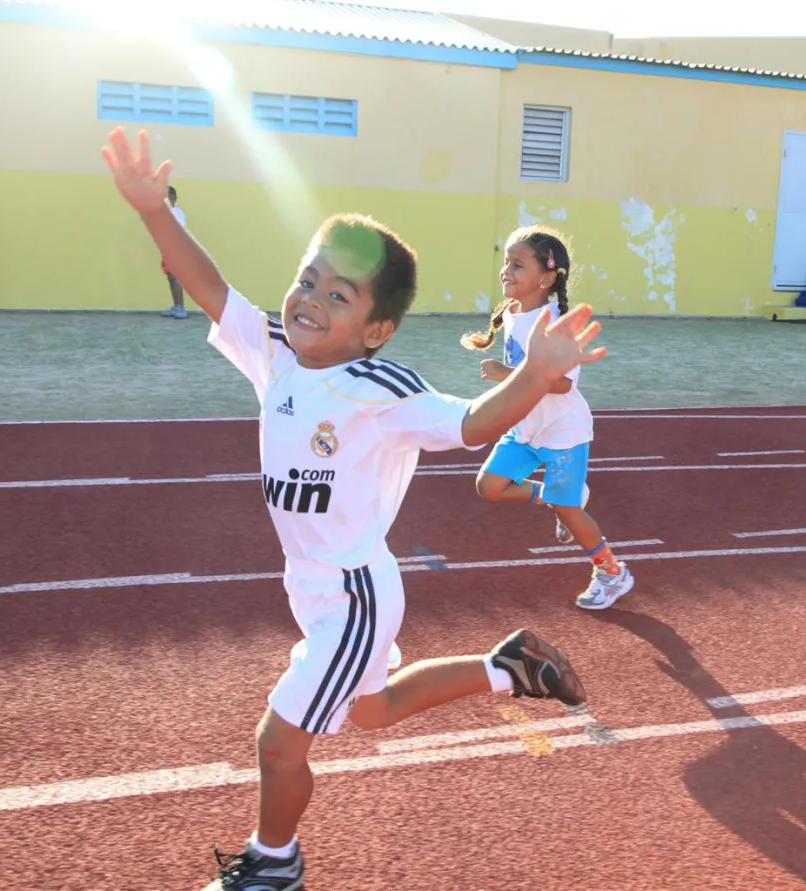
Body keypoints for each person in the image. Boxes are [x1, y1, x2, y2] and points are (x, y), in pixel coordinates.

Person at [101, 127, 596, 891]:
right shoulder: (273, 348)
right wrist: (152, 210)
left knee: (279, 741)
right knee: (371, 711)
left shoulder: (379, 386)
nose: (310, 299)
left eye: (339, 294)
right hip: (314, 584)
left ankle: (274, 865)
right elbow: (207, 284)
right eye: (308, 279)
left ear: (375, 329)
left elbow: (469, 423)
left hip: (355, 590)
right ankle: (510, 666)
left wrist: (533, 375)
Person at [460, 226, 635, 610]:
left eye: (517, 264)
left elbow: (561, 386)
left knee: (570, 510)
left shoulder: (557, 323)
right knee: (489, 486)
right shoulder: (512, 313)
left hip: (563, 433)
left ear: (547, 278)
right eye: (506, 262)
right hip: (525, 427)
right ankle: (554, 498)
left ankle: (611, 572)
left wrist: (505, 376)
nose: (506, 270)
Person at [161, 185, 189, 319]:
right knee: (171, 279)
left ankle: (181, 308)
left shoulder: (177, 212)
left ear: (173, 198)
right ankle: (176, 306)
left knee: (175, 278)